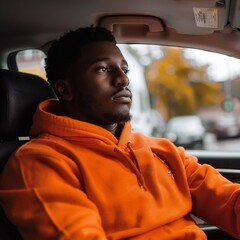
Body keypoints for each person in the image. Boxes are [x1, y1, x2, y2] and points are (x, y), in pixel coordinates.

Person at [0, 26, 240, 240]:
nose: (123, 79)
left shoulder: (163, 150)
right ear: (66, 90)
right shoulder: (40, 162)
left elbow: (230, 203)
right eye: (103, 69)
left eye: (124, 69)